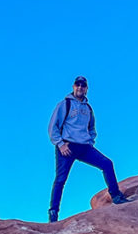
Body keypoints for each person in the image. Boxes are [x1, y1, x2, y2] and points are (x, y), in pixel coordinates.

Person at [47, 75, 130, 222]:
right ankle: (53, 213)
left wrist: (90, 141)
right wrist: (60, 144)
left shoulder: (88, 109)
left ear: (86, 89)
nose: (80, 87)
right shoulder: (64, 104)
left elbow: (92, 128)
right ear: (73, 87)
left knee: (107, 164)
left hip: (84, 147)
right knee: (60, 179)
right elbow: (52, 127)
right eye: (77, 85)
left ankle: (116, 196)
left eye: (83, 85)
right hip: (67, 146)